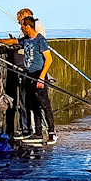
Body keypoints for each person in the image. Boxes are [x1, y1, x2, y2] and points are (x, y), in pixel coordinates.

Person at [14, 10, 55, 145]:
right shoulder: (26, 40)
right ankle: (38, 133)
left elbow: (48, 59)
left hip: (39, 75)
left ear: (28, 26)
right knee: (34, 105)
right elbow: (14, 41)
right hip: (29, 75)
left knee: (44, 105)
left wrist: (42, 77)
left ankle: (51, 133)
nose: (21, 27)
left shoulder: (40, 39)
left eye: (22, 25)